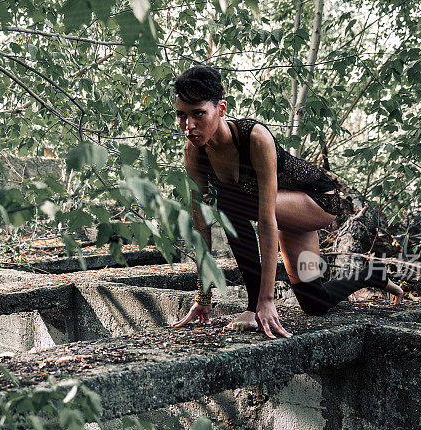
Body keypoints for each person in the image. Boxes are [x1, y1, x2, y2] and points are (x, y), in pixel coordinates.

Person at [171, 65, 403, 338]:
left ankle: (252, 305)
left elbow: (266, 221)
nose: (189, 125)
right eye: (181, 116)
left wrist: (263, 303)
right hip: (284, 211)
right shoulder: (194, 153)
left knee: (228, 204)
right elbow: (201, 226)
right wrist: (203, 297)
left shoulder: (254, 137)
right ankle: (372, 275)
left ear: (221, 108)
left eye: (198, 114)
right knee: (314, 302)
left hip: (318, 201)